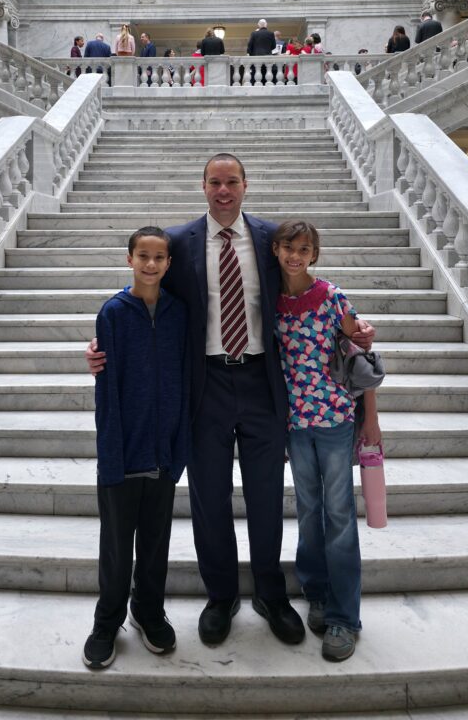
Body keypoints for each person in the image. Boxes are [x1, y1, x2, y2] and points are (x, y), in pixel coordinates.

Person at [86, 154, 375, 651]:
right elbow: (147, 285)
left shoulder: (268, 239)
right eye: (215, 182)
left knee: (265, 495)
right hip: (207, 386)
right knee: (209, 497)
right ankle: (220, 596)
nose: (224, 190)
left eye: (232, 182)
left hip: (263, 383)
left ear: (245, 185)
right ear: (202, 186)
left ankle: (270, 593)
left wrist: (355, 327)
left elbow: (304, 284)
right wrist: (104, 341)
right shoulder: (179, 243)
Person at [272, 220, 380, 663]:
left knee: (338, 515)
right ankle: (315, 592)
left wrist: (370, 419)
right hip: (295, 425)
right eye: (288, 248)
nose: (295, 256)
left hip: (335, 419)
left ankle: (343, 616)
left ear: (314, 254)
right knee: (309, 509)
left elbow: (362, 356)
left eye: (304, 248)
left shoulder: (334, 298)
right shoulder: (271, 305)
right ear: (276, 251)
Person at [82, 226, 189, 671]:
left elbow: (185, 381)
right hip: (122, 452)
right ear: (129, 259)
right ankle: (107, 621)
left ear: (168, 263)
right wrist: (110, 455)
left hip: (163, 451)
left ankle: (148, 610)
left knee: (156, 541)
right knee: (116, 544)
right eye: (142, 256)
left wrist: (178, 448)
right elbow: (106, 391)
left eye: (159, 257)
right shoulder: (112, 313)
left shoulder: (179, 313)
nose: (150, 264)